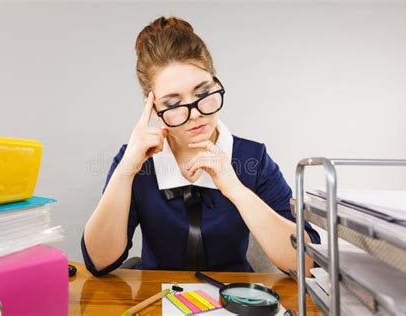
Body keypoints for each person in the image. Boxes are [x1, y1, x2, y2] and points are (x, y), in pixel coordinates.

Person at [82, 16, 319, 277]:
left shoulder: (252, 158)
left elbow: (307, 265)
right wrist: (127, 170)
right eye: (173, 104)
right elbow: (99, 261)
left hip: (233, 299)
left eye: (203, 93)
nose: (195, 113)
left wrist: (235, 189)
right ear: (153, 109)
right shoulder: (137, 161)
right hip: (157, 300)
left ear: (216, 82)